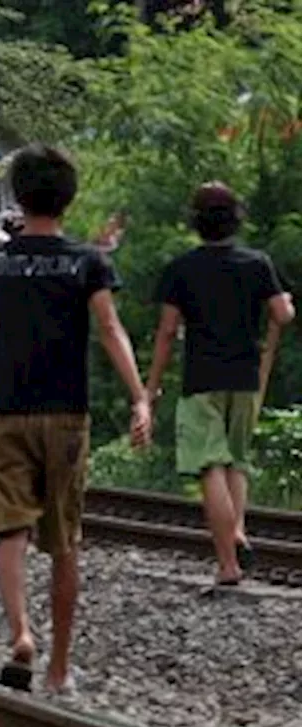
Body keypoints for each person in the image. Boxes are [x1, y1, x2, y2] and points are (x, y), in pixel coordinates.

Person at [0, 143, 151, 695]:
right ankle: (59, 668)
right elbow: (112, 329)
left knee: (7, 525)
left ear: (19, 198)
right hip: (68, 413)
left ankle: (21, 632)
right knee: (65, 539)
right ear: (69, 199)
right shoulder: (87, 261)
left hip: (8, 412)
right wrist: (140, 397)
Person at [145, 182, 296, 586]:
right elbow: (282, 315)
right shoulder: (257, 262)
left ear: (195, 222)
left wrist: (150, 388)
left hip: (202, 379)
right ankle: (239, 531)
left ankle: (228, 563)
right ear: (236, 220)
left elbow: (166, 331)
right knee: (236, 462)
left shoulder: (182, 269)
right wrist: (287, 305)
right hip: (246, 377)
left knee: (208, 465)